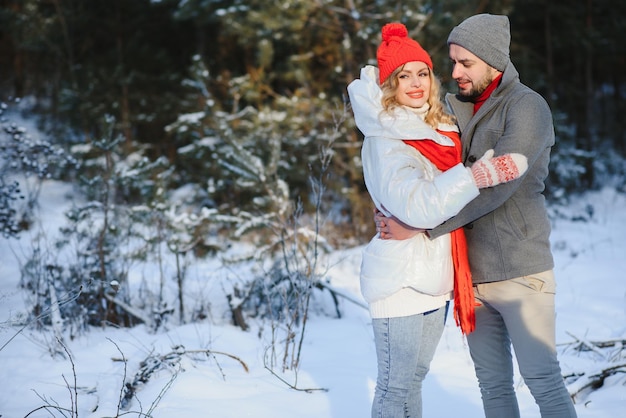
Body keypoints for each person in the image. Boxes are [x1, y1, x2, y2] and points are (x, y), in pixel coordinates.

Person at [376, 14, 578, 418]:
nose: (454, 73)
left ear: (492, 61)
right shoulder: (455, 109)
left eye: (465, 63)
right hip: (472, 277)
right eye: (451, 63)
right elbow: (399, 112)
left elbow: (499, 184)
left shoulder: (527, 107)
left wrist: (422, 225)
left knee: (543, 383)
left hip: (522, 273)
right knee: (493, 386)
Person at [347, 22, 527, 418]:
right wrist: (478, 175)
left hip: (434, 274)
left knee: (414, 380)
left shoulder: (436, 131)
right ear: (389, 85)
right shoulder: (387, 138)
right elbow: (418, 206)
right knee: (395, 388)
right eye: (403, 76)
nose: (415, 84)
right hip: (402, 278)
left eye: (422, 73)